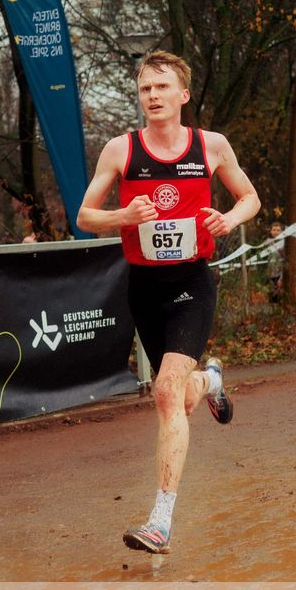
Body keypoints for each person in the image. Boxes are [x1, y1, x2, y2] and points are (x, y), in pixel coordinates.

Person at [77, 49, 260, 554]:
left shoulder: (211, 145)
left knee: (163, 393)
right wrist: (123, 218)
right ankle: (211, 380)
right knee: (178, 396)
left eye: (161, 88)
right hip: (144, 286)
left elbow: (251, 198)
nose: (152, 97)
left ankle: (160, 520)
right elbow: (85, 216)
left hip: (191, 284)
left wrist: (230, 219)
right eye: (145, 90)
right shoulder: (120, 150)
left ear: (182, 95)